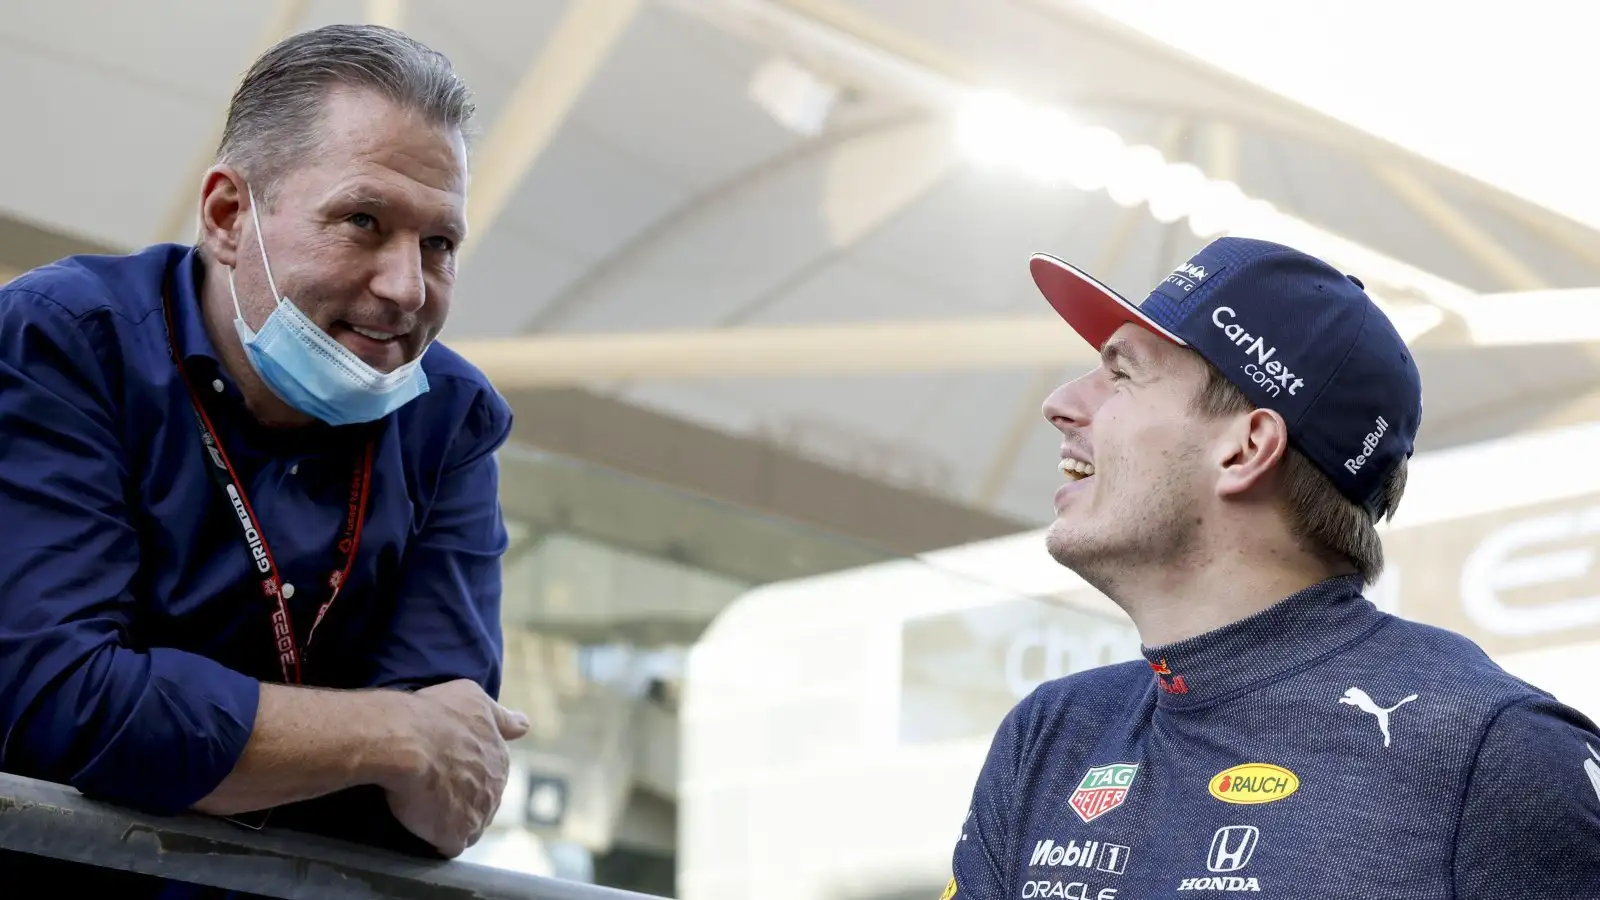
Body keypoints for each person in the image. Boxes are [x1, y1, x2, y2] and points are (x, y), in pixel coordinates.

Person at [0, 24, 531, 897]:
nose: (407, 286)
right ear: (226, 215)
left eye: (439, 244)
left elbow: (443, 802)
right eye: (364, 220)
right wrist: (390, 735)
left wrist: (181, 728)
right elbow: (59, 705)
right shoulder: (66, 342)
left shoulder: (453, 419)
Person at [944, 237, 1600, 899]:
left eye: (1121, 373)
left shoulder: (1494, 754)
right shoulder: (1053, 736)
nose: (1059, 402)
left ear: (1247, 448)